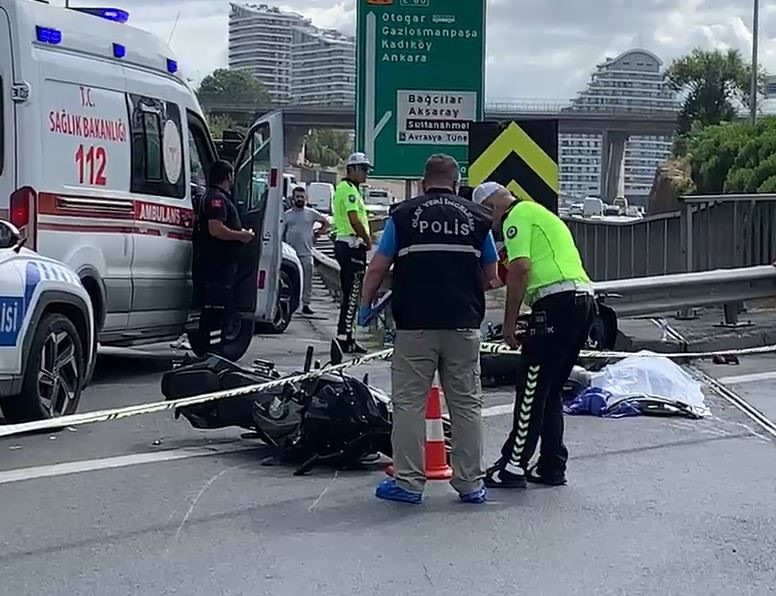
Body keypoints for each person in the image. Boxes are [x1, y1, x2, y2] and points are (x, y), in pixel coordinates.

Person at [360, 154, 500, 505]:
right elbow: (492, 277)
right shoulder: (478, 218)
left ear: (424, 184)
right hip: (463, 324)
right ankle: (470, 483)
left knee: (409, 404)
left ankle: (409, 483)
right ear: (456, 184)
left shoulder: (404, 216)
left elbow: (377, 268)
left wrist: (365, 306)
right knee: (466, 404)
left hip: (415, 325)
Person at [471, 181, 595, 489]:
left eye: (489, 220)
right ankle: (552, 464)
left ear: (490, 207)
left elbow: (521, 268)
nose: (493, 227)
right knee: (550, 388)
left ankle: (513, 465)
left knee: (531, 385)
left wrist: (509, 322)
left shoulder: (517, 217)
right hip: (582, 302)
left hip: (556, 303)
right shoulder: (541, 213)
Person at [195, 160, 255, 354]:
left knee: (218, 312)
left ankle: (211, 351)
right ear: (228, 176)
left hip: (220, 264)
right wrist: (242, 236)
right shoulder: (217, 199)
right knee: (216, 312)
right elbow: (216, 229)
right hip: (217, 265)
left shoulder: (214, 197)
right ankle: (213, 354)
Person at [332, 152, 374, 354]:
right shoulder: (348, 190)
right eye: (363, 169)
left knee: (351, 293)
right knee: (353, 293)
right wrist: (367, 240)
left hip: (348, 244)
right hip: (351, 245)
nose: (366, 173)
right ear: (353, 169)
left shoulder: (349, 189)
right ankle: (345, 338)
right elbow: (354, 219)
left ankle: (347, 336)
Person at [282, 186, 330, 315]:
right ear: (293, 198)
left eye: (302, 197)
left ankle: (306, 304)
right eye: (297, 197)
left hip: (306, 253)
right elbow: (281, 231)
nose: (299, 199)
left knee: (307, 280)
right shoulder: (287, 215)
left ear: (306, 198)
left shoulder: (311, 213)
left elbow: (326, 223)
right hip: (290, 253)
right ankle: (290, 304)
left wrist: (318, 233)